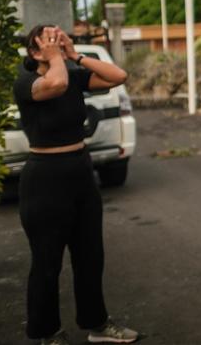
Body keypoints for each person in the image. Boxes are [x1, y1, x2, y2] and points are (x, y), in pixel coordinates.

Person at [14, 25, 138, 345]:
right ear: (34, 52)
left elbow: (118, 75)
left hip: (80, 172)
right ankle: (48, 333)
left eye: (60, 37)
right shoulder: (28, 82)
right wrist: (57, 59)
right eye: (48, 40)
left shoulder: (71, 74)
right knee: (47, 262)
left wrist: (75, 55)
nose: (56, 43)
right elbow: (55, 83)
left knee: (90, 256)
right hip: (44, 179)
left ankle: (97, 324)